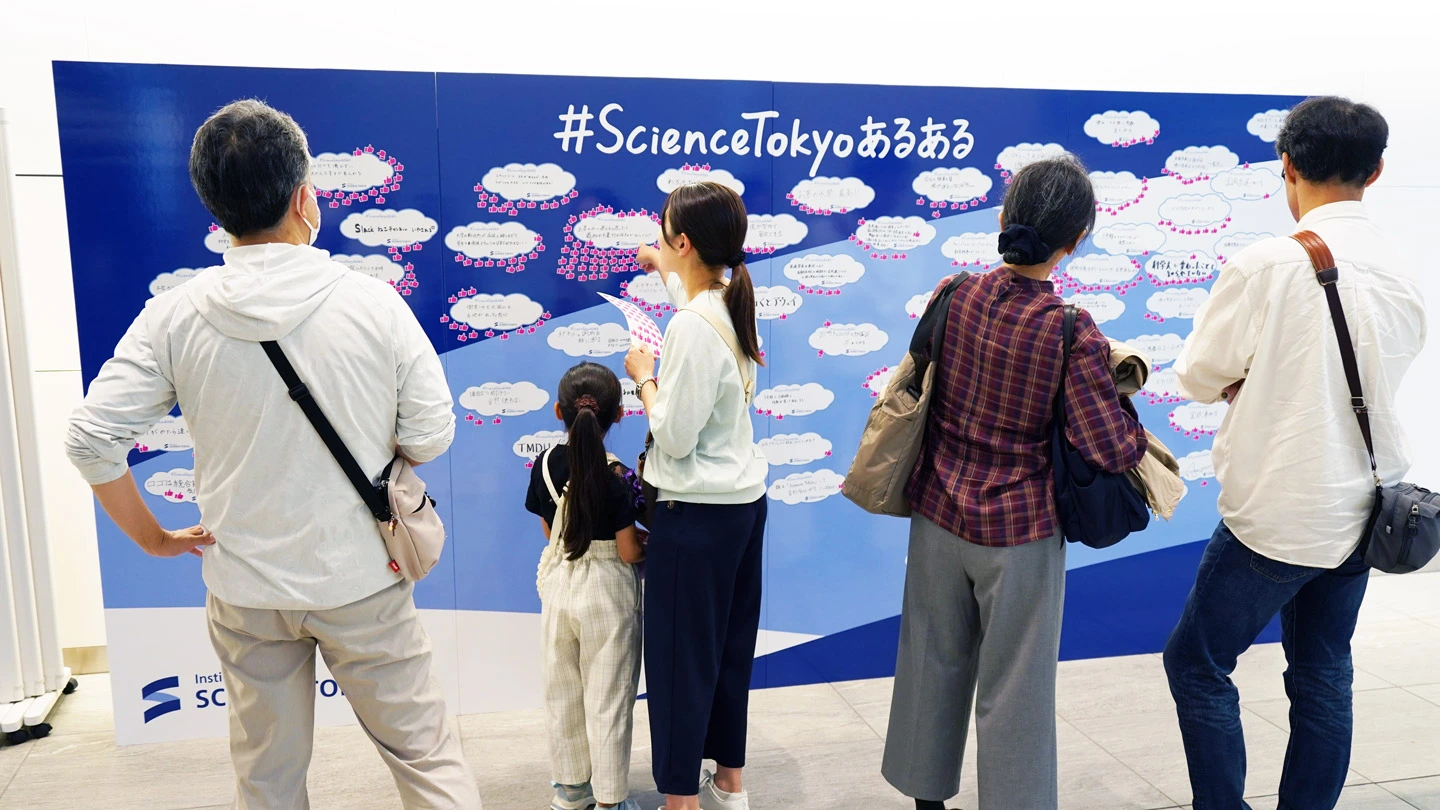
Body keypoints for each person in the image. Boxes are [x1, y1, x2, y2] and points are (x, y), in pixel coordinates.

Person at [65, 99, 481, 810]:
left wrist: (155, 540)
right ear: (302, 198)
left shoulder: (174, 315)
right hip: (363, 578)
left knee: (267, 779)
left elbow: (89, 437)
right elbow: (432, 435)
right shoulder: (373, 303)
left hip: (245, 589)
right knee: (426, 761)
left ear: (214, 206)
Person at [1165, 97, 1426, 810]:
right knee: (1323, 672)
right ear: (1376, 171)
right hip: (1364, 509)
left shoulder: (1266, 265)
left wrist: (1254, 376)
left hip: (1276, 514)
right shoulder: (1402, 271)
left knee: (1196, 662)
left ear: (1287, 165)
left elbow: (1197, 376)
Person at [883, 156, 1148, 810]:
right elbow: (1108, 447)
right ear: (1075, 242)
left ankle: (926, 803)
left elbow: (918, 377)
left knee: (929, 665)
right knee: (1016, 693)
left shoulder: (954, 294)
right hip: (1020, 534)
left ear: (1003, 217)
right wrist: (1126, 400)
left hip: (937, 513)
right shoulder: (1071, 330)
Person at [623, 181, 769, 810]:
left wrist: (643, 378)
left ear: (683, 242)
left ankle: (679, 799)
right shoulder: (729, 301)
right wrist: (661, 269)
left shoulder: (690, 325)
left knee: (680, 661)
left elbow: (674, 438)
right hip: (742, 507)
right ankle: (729, 783)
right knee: (730, 648)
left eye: (662, 235)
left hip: (694, 515)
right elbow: (692, 302)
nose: (657, 242)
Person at [527, 362, 646, 810]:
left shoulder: (543, 464)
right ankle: (611, 800)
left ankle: (571, 790)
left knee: (563, 692)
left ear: (559, 411)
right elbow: (628, 551)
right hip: (607, 591)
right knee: (608, 698)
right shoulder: (620, 477)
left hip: (560, 583)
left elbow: (550, 532)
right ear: (619, 415)